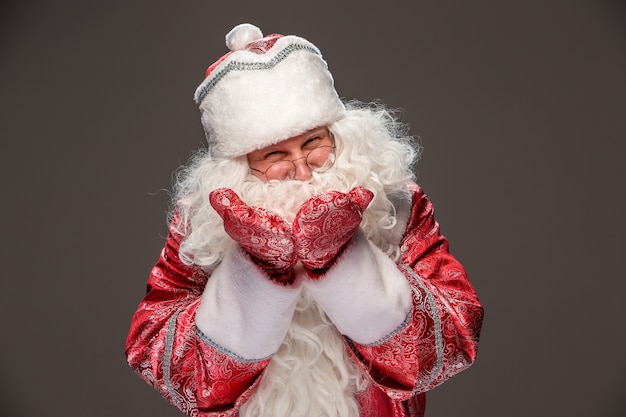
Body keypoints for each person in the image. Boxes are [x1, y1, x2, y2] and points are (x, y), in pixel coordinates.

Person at [125, 23, 484, 417]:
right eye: (274, 155)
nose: (301, 169)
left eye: (314, 141)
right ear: (240, 166)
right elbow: (162, 363)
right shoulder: (202, 225)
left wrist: (344, 261)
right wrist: (256, 274)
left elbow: (455, 339)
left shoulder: (394, 202)